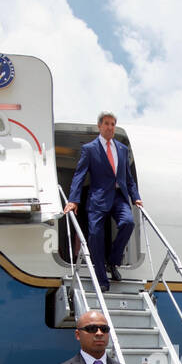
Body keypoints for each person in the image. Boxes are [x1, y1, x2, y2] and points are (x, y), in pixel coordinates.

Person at [62, 111, 143, 290]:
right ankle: (101, 280)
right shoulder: (89, 149)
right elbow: (79, 175)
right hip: (97, 198)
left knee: (128, 223)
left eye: (113, 124)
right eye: (106, 123)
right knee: (96, 236)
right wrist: (74, 199)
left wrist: (135, 197)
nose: (110, 127)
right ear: (100, 126)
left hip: (118, 197)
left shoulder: (122, 149)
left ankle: (113, 262)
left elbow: (128, 178)